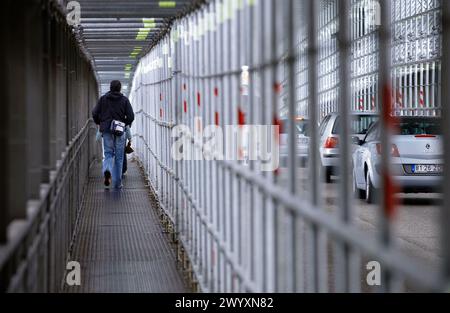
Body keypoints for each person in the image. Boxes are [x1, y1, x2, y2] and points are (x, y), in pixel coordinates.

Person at [92, 80, 134, 189]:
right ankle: (117, 183)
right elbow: (131, 115)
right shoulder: (124, 100)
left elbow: (95, 113)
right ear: (120, 88)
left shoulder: (103, 99)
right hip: (119, 130)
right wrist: (125, 123)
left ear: (110, 88)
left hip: (106, 130)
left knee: (108, 154)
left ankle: (107, 170)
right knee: (119, 157)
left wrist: (100, 122)